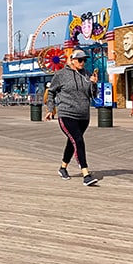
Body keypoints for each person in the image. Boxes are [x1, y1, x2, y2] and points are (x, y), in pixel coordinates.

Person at [45, 49, 99, 186]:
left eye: (84, 60)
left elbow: (93, 95)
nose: (83, 63)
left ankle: (63, 168)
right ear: (72, 60)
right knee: (78, 140)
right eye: (80, 60)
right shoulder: (61, 75)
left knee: (73, 141)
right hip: (67, 114)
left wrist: (93, 84)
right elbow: (51, 92)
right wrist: (51, 110)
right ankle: (86, 174)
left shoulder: (87, 74)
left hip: (83, 115)